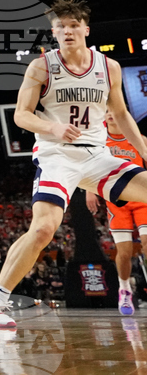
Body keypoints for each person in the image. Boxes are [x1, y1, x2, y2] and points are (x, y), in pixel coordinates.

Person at [0, 0, 147, 328]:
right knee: (42, 230)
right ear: (53, 32)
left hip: (98, 157)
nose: (67, 31)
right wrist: (53, 127)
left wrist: (143, 148)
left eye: (73, 25)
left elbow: (122, 114)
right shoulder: (42, 66)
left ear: (85, 29)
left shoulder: (109, 67)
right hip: (58, 156)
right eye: (60, 26)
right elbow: (22, 116)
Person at [86, 110, 147, 315]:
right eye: (107, 111)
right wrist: (89, 190)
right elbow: (90, 166)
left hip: (142, 200)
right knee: (125, 252)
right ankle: (125, 289)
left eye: (115, 111)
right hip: (117, 202)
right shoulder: (100, 142)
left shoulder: (139, 139)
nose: (111, 114)